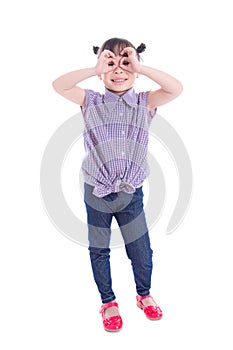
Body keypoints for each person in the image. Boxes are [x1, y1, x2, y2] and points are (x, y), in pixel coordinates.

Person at [52, 37, 183, 332]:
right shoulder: (91, 100)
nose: (119, 70)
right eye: (111, 64)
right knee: (99, 248)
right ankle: (108, 301)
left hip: (131, 192)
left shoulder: (144, 102)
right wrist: (94, 67)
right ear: (102, 70)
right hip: (96, 190)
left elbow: (176, 88)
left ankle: (144, 294)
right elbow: (59, 85)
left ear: (135, 69)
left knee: (140, 247)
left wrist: (141, 67)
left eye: (125, 63)